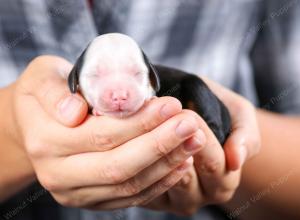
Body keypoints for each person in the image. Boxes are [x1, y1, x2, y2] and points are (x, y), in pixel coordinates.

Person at [0, 0, 299, 220]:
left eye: (134, 76)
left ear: (151, 79)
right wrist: (14, 135)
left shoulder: (178, 90)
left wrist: (229, 152)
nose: (118, 94)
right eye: (96, 77)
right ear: (75, 82)